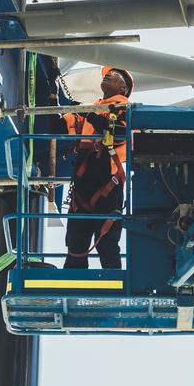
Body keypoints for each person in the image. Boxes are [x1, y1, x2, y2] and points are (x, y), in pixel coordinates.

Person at [61, 66, 134, 270]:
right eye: (107, 75)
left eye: (115, 76)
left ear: (123, 88)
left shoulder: (126, 108)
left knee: (107, 243)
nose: (108, 75)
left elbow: (120, 131)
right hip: (84, 183)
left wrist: (90, 115)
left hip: (107, 181)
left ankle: (115, 289)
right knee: (76, 242)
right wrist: (54, 101)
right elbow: (60, 126)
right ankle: (72, 284)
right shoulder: (93, 108)